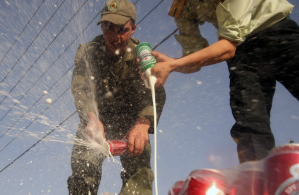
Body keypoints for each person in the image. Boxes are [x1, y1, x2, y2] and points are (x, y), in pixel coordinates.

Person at [151, 0, 299, 163]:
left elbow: (227, 47)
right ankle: (256, 177)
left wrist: (173, 65)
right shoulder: (182, 8)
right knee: (249, 126)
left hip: (277, 32)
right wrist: (171, 63)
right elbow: (194, 60)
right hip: (243, 54)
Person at [67, 0, 166, 194]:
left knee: (139, 180)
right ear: (101, 25)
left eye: (122, 30)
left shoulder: (142, 56)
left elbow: (155, 92)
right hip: (95, 122)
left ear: (133, 28)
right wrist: (92, 119)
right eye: (108, 28)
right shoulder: (88, 51)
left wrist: (143, 123)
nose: (114, 36)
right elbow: (81, 89)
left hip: (133, 124)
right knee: (82, 176)